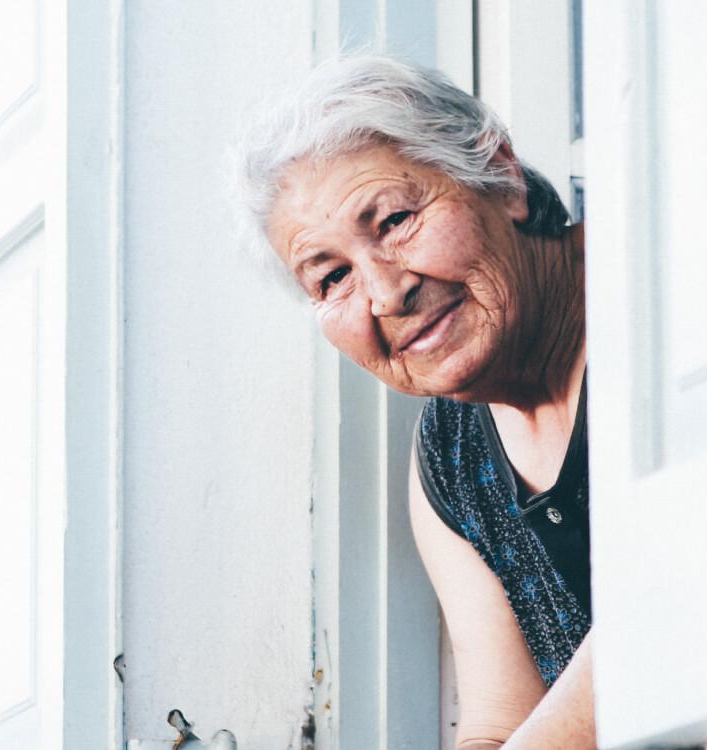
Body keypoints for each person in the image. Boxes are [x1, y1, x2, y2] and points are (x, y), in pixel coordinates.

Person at [233, 56, 593, 749]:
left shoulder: (654, 300)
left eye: (395, 219)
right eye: (332, 275)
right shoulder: (450, 461)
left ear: (502, 175)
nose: (386, 291)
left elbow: (687, 586)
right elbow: (497, 723)